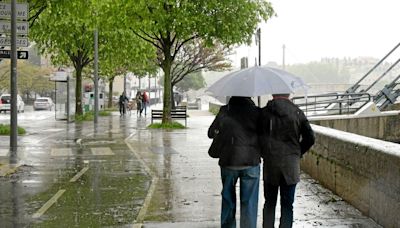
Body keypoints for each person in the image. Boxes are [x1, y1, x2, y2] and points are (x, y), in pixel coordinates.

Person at [260, 94, 315, 228]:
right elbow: (310, 138)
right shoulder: (297, 112)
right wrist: (297, 152)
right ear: (288, 94)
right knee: (287, 205)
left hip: (271, 164)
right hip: (290, 165)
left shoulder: (264, 112)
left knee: (269, 203)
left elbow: (258, 137)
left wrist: (265, 152)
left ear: (273, 94)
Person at [208, 96, 261, 228]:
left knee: (228, 199)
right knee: (249, 202)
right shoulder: (257, 112)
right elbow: (265, 135)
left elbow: (210, 133)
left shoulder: (225, 110)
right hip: (251, 161)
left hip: (228, 160)